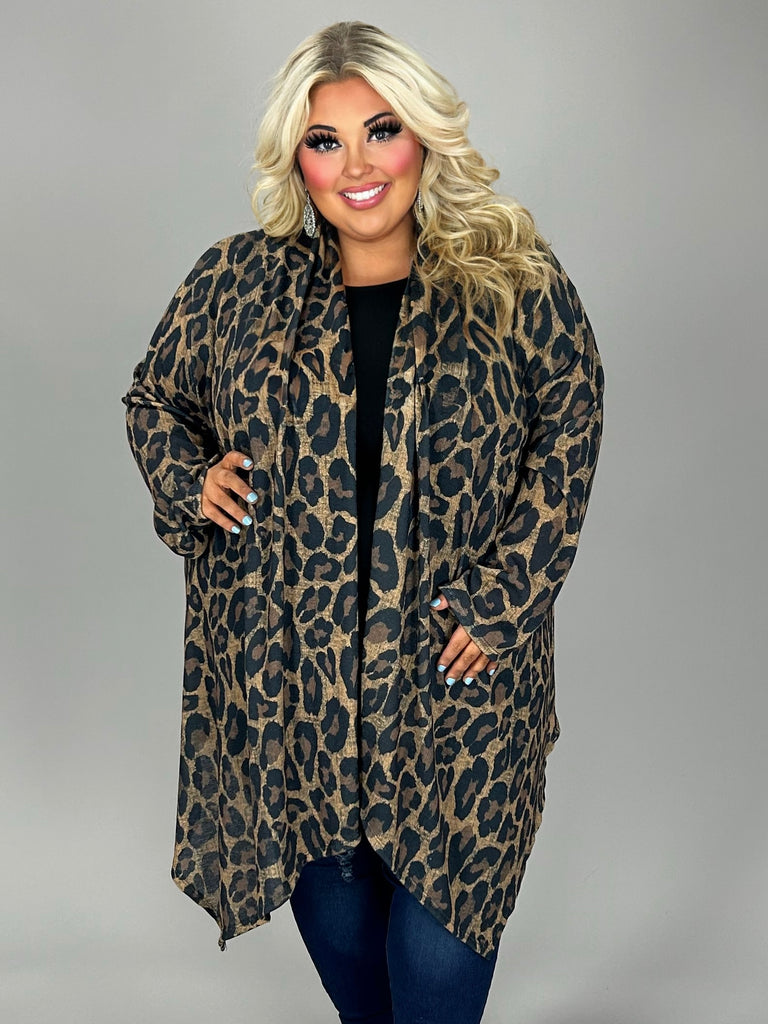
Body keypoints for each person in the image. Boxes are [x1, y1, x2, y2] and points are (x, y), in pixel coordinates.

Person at [122, 20, 604, 1024]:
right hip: (296, 707)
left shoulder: (513, 281)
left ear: (422, 136)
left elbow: (569, 430)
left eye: (381, 130)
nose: (357, 166)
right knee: (360, 989)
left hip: (454, 700)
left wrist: (506, 596)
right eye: (324, 140)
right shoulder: (236, 285)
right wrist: (190, 479)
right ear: (295, 159)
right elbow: (154, 399)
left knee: (434, 973)